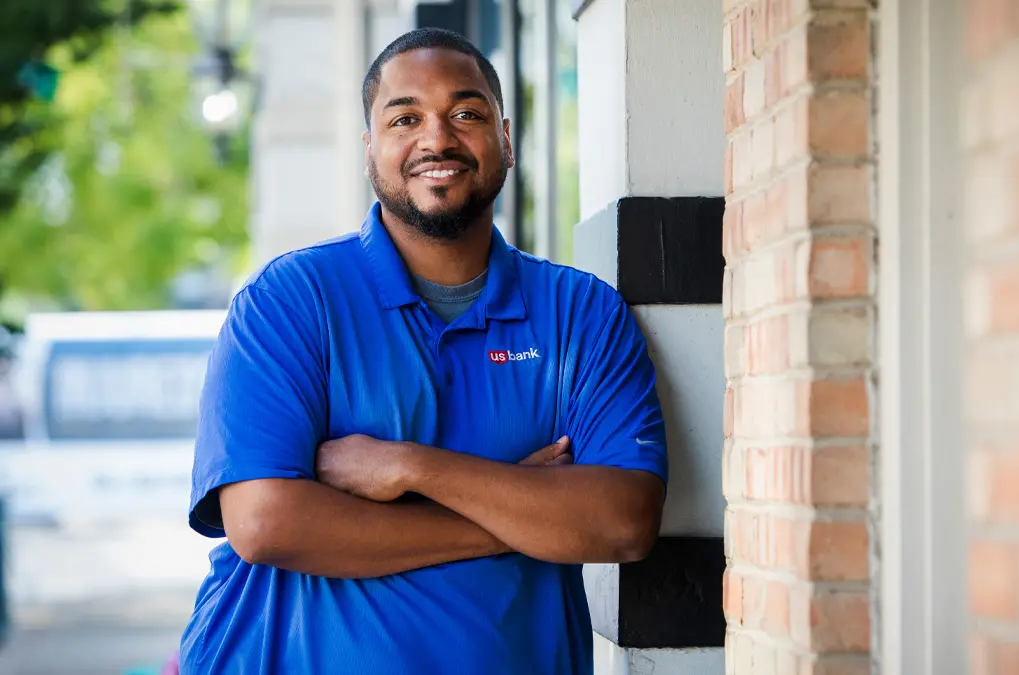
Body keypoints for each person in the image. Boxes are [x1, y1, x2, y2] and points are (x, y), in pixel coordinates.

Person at [178, 27, 668, 675]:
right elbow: (266, 522)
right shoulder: (292, 300)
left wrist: (409, 466)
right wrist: (516, 513)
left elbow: (622, 522)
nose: (437, 138)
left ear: (507, 139)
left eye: (466, 114)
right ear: (370, 149)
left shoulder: (579, 312)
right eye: (405, 117)